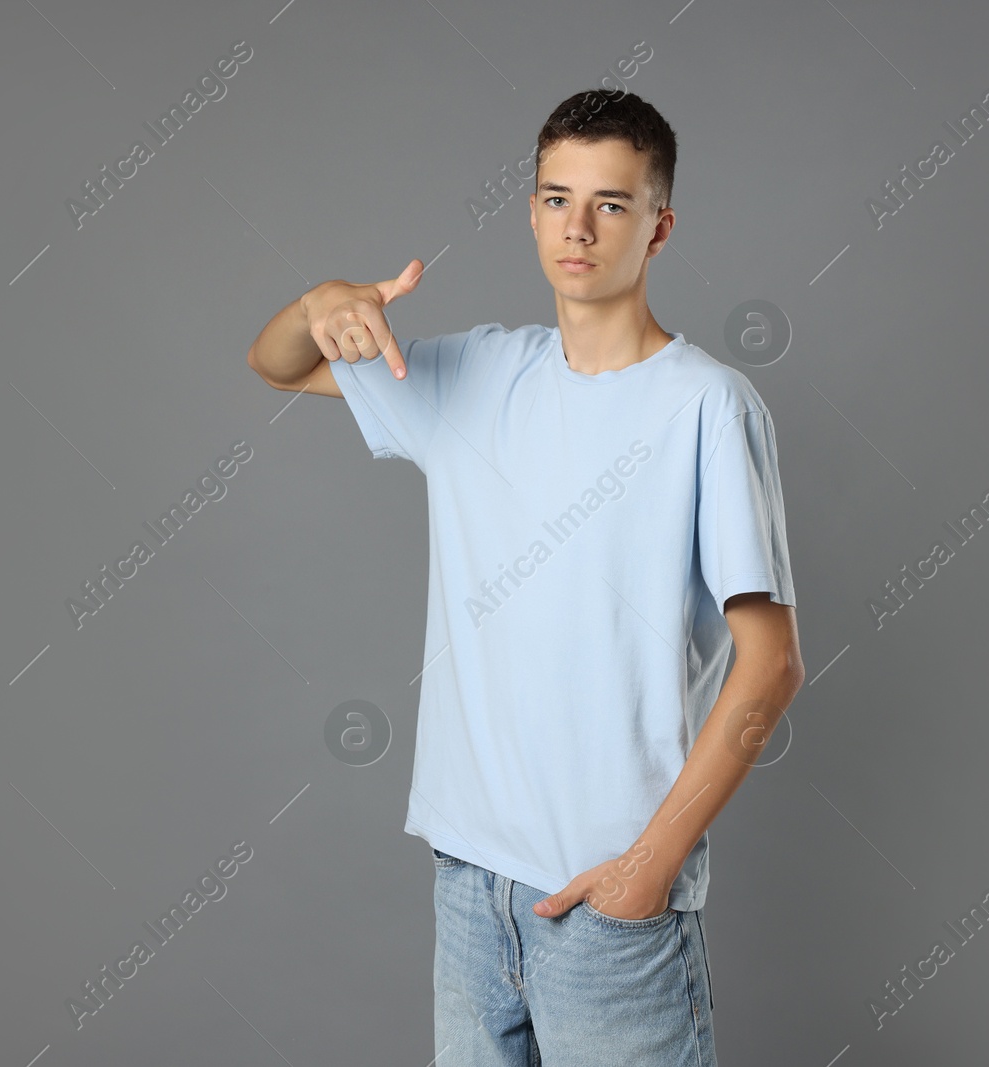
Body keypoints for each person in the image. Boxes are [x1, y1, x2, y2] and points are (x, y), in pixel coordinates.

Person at [248, 89, 803, 1066]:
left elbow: (771, 663)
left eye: (611, 203)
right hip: (468, 890)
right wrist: (321, 299)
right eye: (555, 198)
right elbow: (279, 366)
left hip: (608, 904)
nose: (577, 227)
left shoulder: (708, 407)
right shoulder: (476, 376)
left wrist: (649, 866)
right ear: (531, 211)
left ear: (659, 226)